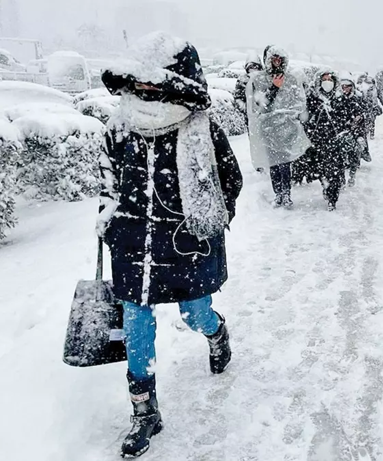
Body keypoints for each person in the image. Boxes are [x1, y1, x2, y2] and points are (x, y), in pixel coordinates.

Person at [98, 32, 243, 458]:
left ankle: (216, 332)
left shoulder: (201, 128)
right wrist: (109, 223)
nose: (145, 87)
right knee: (136, 325)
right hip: (133, 245)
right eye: (140, 79)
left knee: (194, 313)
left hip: (185, 245)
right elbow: (108, 183)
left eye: (154, 80)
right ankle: (144, 411)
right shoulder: (119, 127)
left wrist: (208, 223)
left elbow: (229, 181)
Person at [246, 46, 310, 209]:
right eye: (274, 59)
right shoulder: (260, 80)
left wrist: (292, 116)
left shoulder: (291, 79)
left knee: (285, 162)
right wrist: (274, 87)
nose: (277, 62)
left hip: (287, 128)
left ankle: (286, 194)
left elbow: (298, 102)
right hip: (268, 128)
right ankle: (278, 194)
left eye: (280, 59)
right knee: (273, 163)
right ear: (268, 60)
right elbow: (260, 105)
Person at [305, 68, 344, 211]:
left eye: (330, 80)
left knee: (334, 172)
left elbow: (344, 119)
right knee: (321, 170)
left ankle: (332, 198)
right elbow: (306, 118)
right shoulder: (312, 98)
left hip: (334, 142)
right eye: (324, 80)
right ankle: (325, 186)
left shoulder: (339, 99)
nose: (327, 82)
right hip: (317, 142)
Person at [334, 74, 367, 186]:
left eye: (347, 86)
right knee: (339, 158)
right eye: (343, 86)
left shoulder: (356, 99)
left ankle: (352, 176)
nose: (345, 88)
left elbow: (362, 114)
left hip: (354, 132)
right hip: (341, 132)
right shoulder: (337, 100)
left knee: (354, 156)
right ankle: (342, 179)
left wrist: (358, 120)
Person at [234, 56, 263, 122]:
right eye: (250, 68)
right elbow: (238, 97)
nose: (253, 70)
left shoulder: (263, 80)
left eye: (255, 67)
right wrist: (245, 108)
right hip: (249, 115)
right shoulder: (243, 80)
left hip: (261, 114)